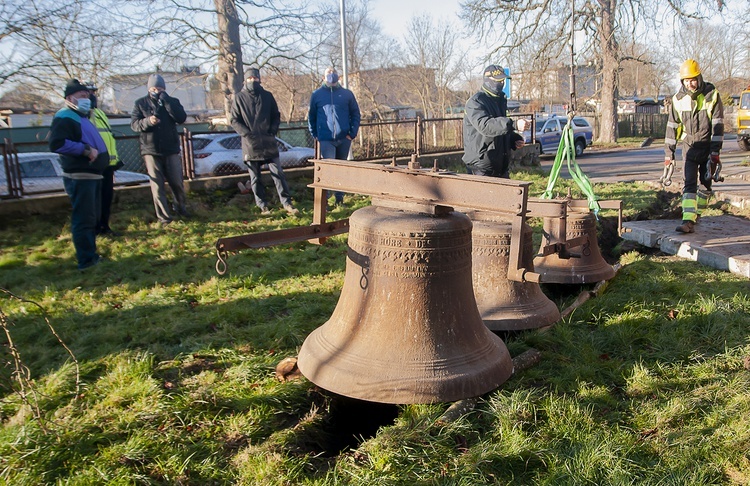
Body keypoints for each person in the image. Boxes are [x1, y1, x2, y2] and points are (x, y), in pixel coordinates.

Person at [49, 79, 110, 270]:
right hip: (80, 175)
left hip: (92, 174)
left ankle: (91, 254)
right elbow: (57, 144)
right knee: (84, 219)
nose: (87, 99)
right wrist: (85, 150)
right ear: (70, 98)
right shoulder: (65, 116)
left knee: (90, 218)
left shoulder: (81, 115)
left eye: (88, 95)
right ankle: (86, 260)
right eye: (82, 96)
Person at [665, 59, 724, 234]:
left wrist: (715, 151)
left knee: (705, 187)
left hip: (707, 149)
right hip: (689, 147)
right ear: (682, 81)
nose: (690, 84)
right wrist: (669, 154)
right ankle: (688, 221)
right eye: (686, 80)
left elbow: (718, 125)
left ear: (699, 78)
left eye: (693, 79)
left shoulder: (712, 95)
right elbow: (672, 127)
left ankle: (697, 214)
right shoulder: (678, 99)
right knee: (689, 183)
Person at [230, 67, 298, 215]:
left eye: (255, 78)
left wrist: (272, 131)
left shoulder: (267, 96)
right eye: (250, 79)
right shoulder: (239, 98)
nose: (252, 81)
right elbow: (234, 120)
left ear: (259, 79)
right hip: (250, 145)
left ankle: (286, 203)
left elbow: (276, 115)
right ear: (245, 80)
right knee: (255, 178)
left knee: (278, 174)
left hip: (269, 142)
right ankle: (262, 206)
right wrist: (247, 134)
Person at [130, 73, 189, 226]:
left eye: (160, 88)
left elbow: (181, 118)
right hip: (151, 149)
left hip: (171, 148)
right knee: (157, 185)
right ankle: (164, 217)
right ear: (149, 88)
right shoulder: (140, 103)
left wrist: (167, 101)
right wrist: (148, 121)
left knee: (177, 182)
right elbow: (135, 125)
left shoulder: (172, 101)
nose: (157, 91)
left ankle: (181, 208)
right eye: (154, 88)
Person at [308, 67, 361, 206]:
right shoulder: (317, 95)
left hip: (344, 138)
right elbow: (311, 116)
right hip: (326, 139)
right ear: (323, 78)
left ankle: (339, 199)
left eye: (334, 72)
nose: (331, 75)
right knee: (328, 170)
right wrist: (316, 134)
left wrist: (352, 133)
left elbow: (355, 114)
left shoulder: (346, 94)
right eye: (328, 73)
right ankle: (324, 201)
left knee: (340, 169)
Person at [462, 64, 525, 178]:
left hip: (501, 165)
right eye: (498, 80)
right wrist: (514, 124)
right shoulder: (476, 102)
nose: (501, 83)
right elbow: (486, 126)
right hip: (481, 167)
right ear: (487, 80)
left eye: (503, 80)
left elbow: (498, 129)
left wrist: (513, 139)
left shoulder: (500, 100)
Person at [86, 82, 122, 237]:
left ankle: (104, 227)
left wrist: (115, 161)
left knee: (106, 198)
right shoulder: (82, 115)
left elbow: (109, 138)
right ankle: (94, 230)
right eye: (89, 93)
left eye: (94, 92)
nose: (93, 96)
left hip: (107, 164)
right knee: (94, 200)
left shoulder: (100, 113)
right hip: (92, 164)